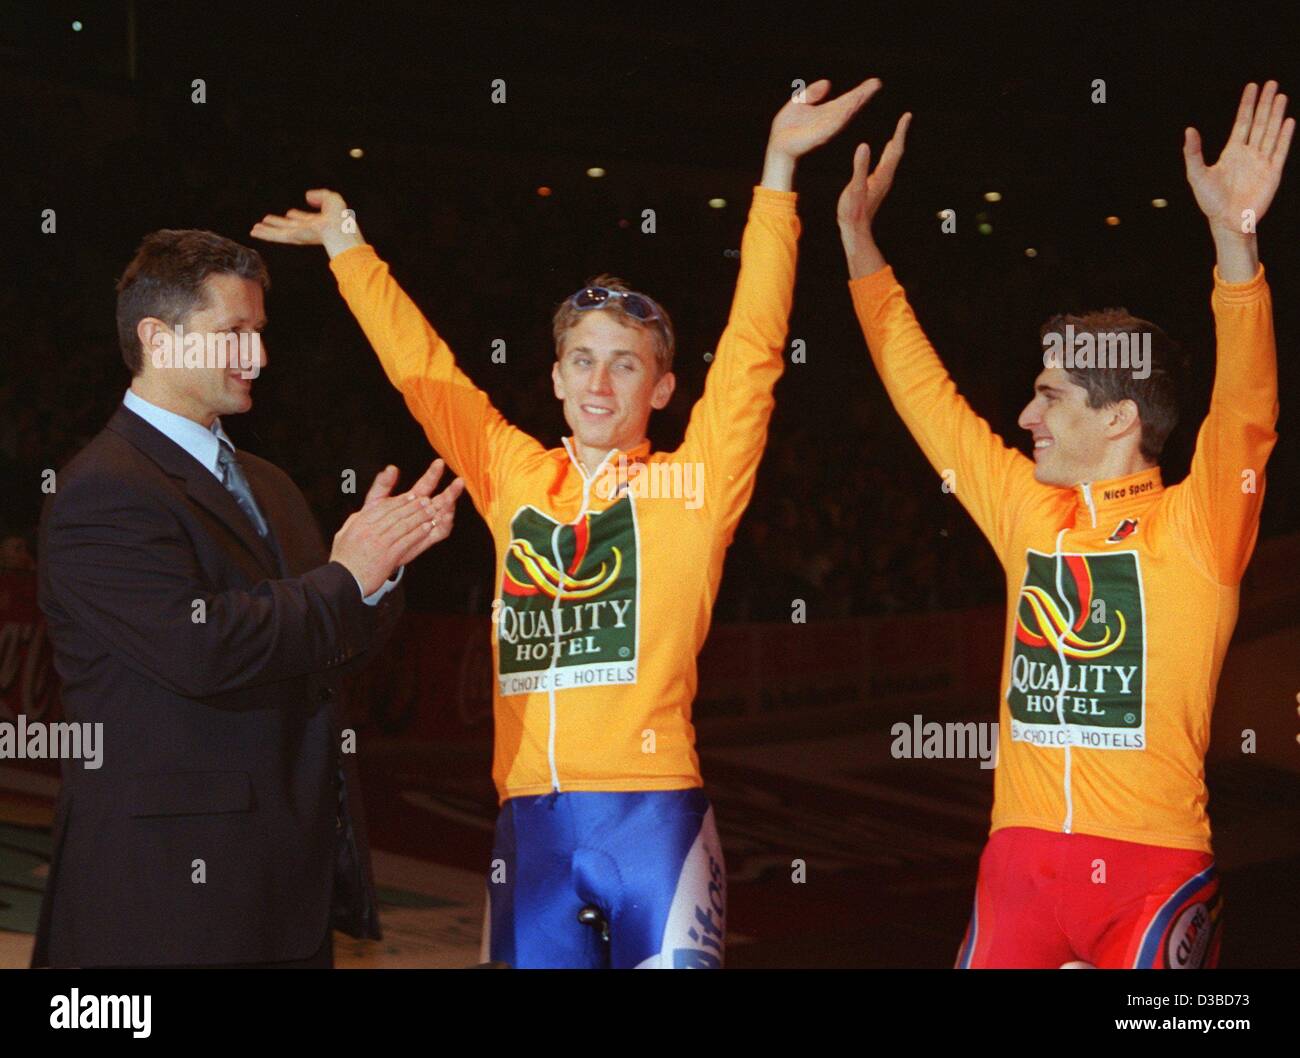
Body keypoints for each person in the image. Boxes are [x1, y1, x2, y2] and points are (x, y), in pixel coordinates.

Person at [252, 75, 879, 968]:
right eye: (581, 361)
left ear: (662, 389)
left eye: (625, 366)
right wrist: (348, 246)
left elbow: (752, 349)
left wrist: (777, 169)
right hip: (530, 830)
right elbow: (423, 374)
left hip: (652, 823)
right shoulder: (514, 476)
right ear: (553, 377)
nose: (598, 383)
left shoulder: (694, 485)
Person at [837, 82, 1292, 968]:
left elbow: (1247, 408)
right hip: (1018, 871)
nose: (1025, 417)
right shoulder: (1026, 512)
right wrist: (859, 244)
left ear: (1120, 418)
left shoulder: (1195, 528)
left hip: (1152, 876)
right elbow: (923, 395)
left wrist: (1234, 241)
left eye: (1050, 396)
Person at [32, 228, 464, 968]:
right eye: (233, 333)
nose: (258, 357)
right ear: (157, 339)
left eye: (259, 333)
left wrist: (379, 572)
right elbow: (205, 648)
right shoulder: (102, 490)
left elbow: (322, 643)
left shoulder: (269, 483)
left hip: (283, 886)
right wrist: (345, 577)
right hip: (165, 897)